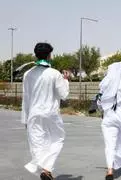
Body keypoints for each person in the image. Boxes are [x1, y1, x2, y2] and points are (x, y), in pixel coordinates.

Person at [22, 42, 70, 180]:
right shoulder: (54, 74)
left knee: (38, 143)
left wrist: (25, 118)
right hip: (51, 114)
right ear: (49, 55)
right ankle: (47, 169)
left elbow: (26, 97)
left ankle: (45, 170)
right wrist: (65, 80)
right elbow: (64, 95)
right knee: (57, 139)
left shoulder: (27, 74)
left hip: (33, 114)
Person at [99, 62, 121, 180]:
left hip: (109, 117)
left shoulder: (105, 84)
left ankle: (110, 170)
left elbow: (99, 101)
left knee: (109, 144)